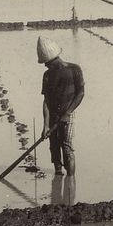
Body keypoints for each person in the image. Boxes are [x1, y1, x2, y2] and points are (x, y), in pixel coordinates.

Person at [38, 36, 85, 176]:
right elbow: (46, 101)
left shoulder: (74, 69)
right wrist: (46, 125)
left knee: (67, 146)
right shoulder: (47, 75)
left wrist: (67, 113)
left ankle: (71, 181)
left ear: (54, 60)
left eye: (46, 63)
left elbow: (80, 94)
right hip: (53, 115)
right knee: (54, 146)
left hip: (68, 114)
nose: (45, 65)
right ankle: (58, 175)